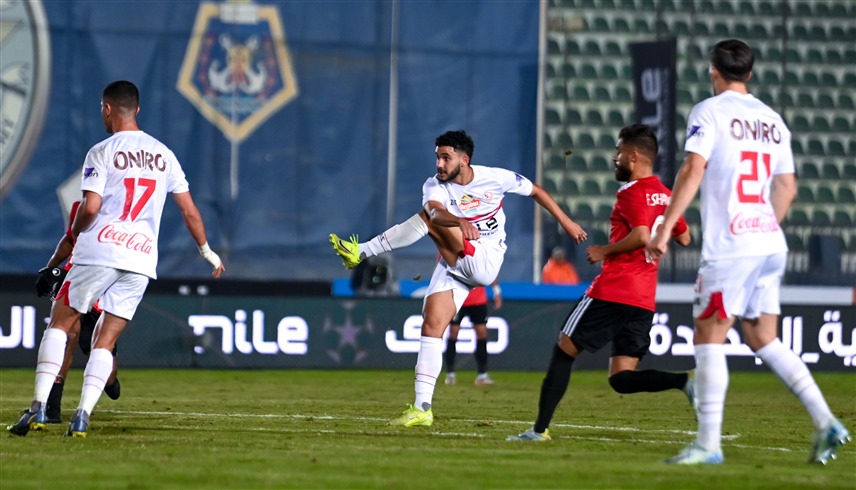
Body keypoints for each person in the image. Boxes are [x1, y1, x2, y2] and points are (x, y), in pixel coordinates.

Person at [646, 39, 850, 465]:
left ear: (713, 71)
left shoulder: (710, 110)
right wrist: (763, 227)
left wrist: (665, 225)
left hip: (732, 246)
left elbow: (693, 168)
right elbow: (787, 187)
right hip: (769, 242)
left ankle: (707, 445)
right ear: (750, 73)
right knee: (762, 336)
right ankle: (826, 421)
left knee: (708, 335)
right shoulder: (774, 121)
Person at [7, 80, 225, 438]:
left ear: (107, 109)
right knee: (104, 342)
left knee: (60, 324)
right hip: (140, 258)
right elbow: (190, 212)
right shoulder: (165, 154)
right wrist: (207, 252)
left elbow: (91, 208)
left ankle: (38, 407)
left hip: (100, 249)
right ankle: (82, 416)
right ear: (136, 110)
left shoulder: (102, 151)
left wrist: (75, 234)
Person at [330, 129, 587, 427]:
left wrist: (567, 222)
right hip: (455, 265)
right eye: (438, 157)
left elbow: (536, 191)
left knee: (428, 221)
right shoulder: (434, 186)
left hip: (485, 259)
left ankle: (362, 251)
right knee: (432, 323)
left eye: (445, 158)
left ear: (464, 160)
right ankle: (422, 408)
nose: (439, 164)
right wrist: (460, 221)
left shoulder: (495, 178)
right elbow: (436, 213)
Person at [507, 124, 693, 442]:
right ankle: (685, 383)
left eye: (619, 151)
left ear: (634, 156)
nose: (614, 157)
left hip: (614, 289)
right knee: (621, 377)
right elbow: (686, 238)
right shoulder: (666, 195)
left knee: (564, 349)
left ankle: (538, 431)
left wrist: (604, 250)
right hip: (643, 298)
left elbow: (642, 235)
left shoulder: (631, 192)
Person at [34, 200, 122, 424]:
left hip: (105, 282)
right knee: (66, 336)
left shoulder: (128, 211)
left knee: (109, 374)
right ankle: (50, 408)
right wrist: (51, 267)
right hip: (76, 274)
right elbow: (71, 239)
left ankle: (107, 378)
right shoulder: (82, 206)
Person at [444, 280, 502, 386]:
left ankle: (482, 376)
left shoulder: (481, 262)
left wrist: (496, 292)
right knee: (453, 332)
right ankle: (450, 374)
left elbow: (491, 270)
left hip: (478, 300)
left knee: (482, 334)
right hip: (458, 299)